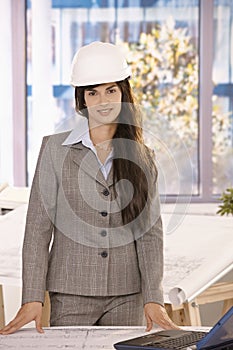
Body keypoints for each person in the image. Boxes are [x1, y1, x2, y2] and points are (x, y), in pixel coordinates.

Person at [0, 41, 178, 335]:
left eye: (111, 90)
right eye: (92, 93)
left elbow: (149, 233)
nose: (103, 101)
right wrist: (32, 297)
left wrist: (153, 298)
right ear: (81, 99)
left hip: (127, 295)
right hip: (70, 291)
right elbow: (37, 229)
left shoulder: (143, 157)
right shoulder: (55, 149)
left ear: (124, 93)